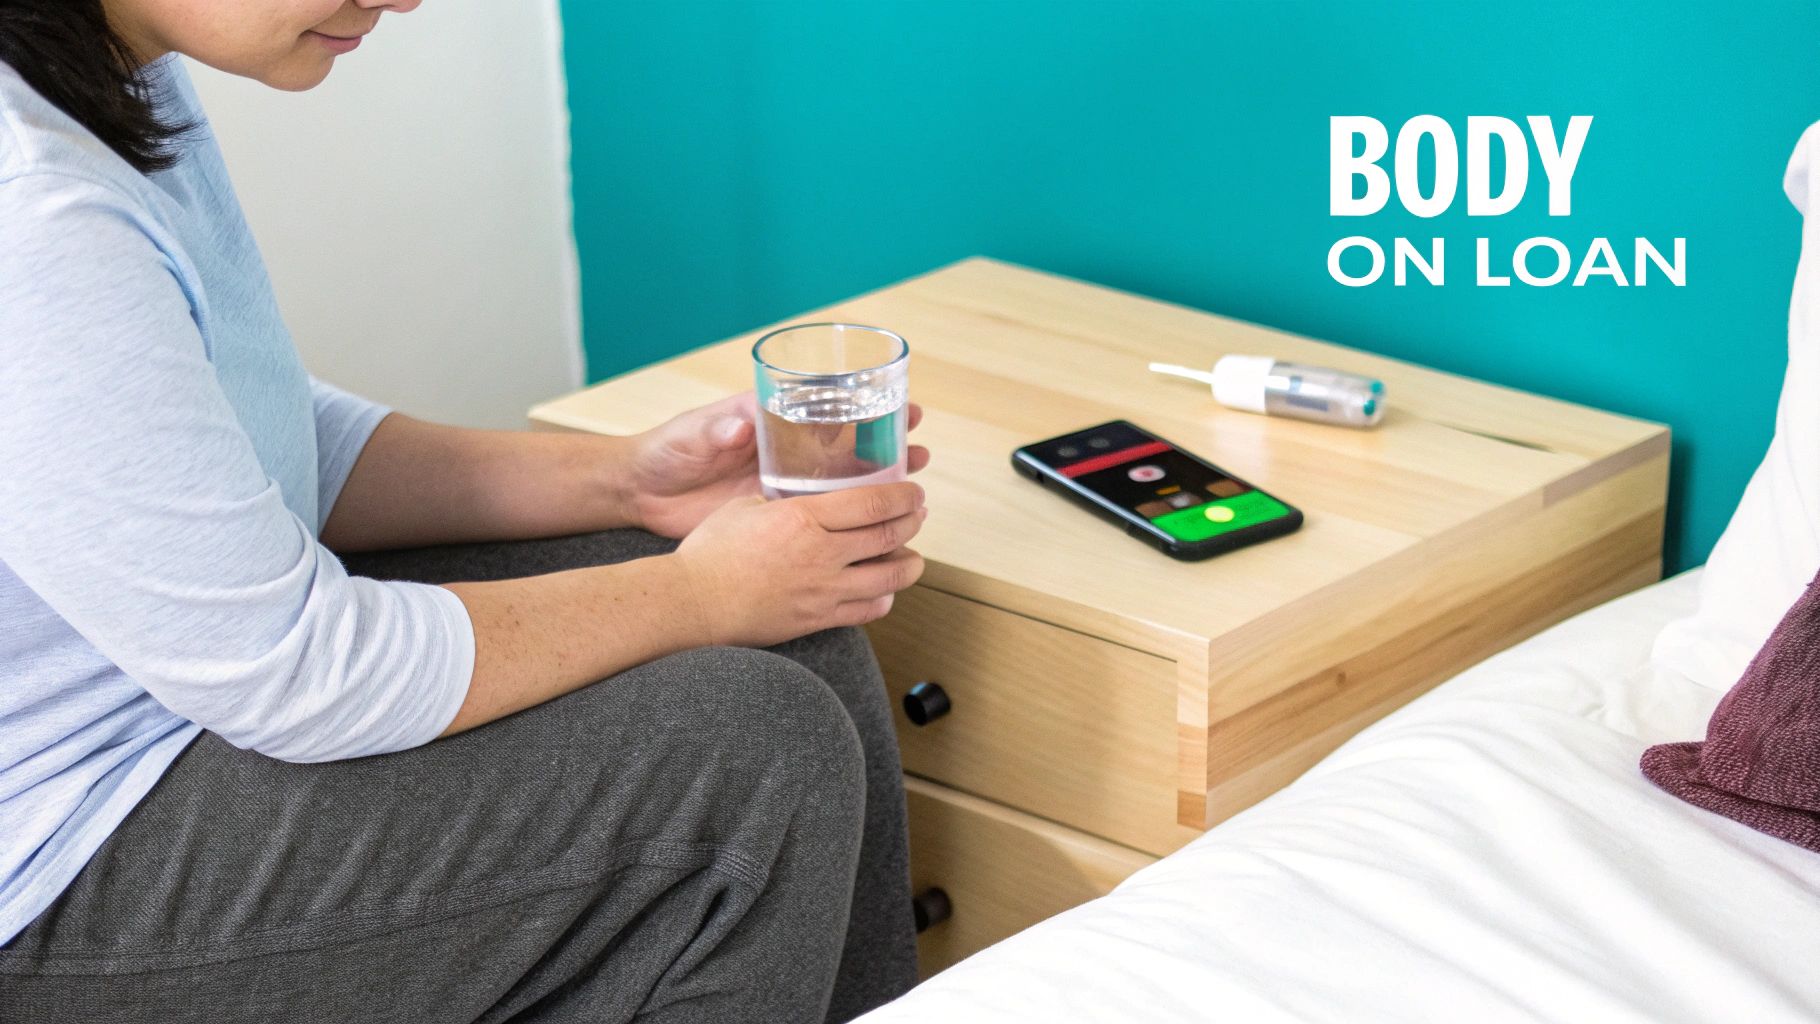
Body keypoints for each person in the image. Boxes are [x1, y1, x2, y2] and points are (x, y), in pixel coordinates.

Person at [0, 1, 931, 1020]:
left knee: (801, 648)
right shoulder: (32, 204)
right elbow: (293, 669)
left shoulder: (111, 72)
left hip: (166, 718)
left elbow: (243, 431)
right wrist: (699, 591)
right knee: (756, 747)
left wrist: (622, 480)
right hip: (54, 870)